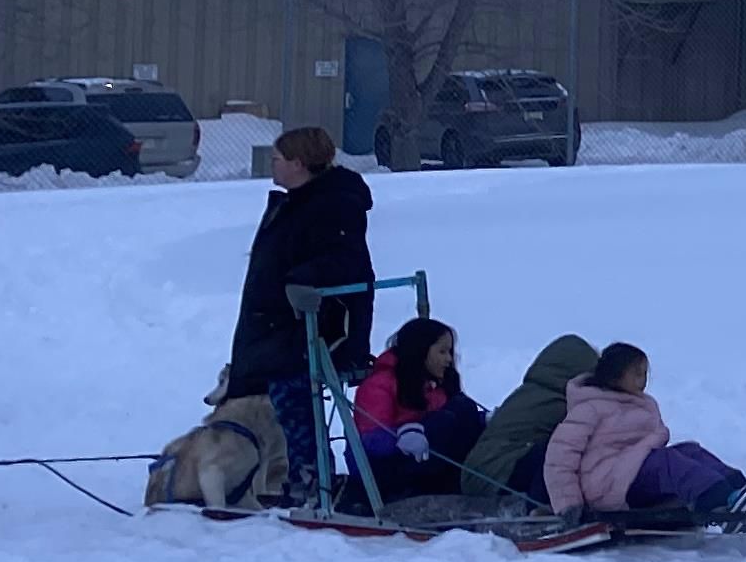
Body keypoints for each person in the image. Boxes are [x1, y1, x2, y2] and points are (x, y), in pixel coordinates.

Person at [218, 125, 378, 507]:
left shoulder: (334, 204)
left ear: (299, 163)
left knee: (292, 393)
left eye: (277, 159)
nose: (272, 165)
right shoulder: (298, 201)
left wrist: (300, 280)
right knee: (282, 394)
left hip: (318, 328)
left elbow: (345, 261)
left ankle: (311, 479)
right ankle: (298, 476)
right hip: (280, 324)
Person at [542, 344, 746, 524]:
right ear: (614, 376)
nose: (643, 380)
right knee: (666, 461)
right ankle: (718, 499)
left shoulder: (642, 404)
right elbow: (559, 457)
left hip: (633, 476)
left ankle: (739, 490)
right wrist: (568, 504)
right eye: (636, 374)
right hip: (605, 486)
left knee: (689, 450)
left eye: (645, 374)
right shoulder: (590, 408)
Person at [349, 315, 492, 497]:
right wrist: (401, 437)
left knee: (464, 409)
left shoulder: (434, 385)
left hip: (425, 463)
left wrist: (487, 421)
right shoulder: (378, 385)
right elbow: (370, 439)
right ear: (420, 350)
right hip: (383, 471)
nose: (449, 359)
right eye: (442, 352)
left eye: (450, 352)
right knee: (455, 412)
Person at [462, 333, 597, 508]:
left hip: (480, 470)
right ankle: (540, 508)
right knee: (560, 450)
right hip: (495, 472)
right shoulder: (558, 402)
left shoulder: (530, 393)